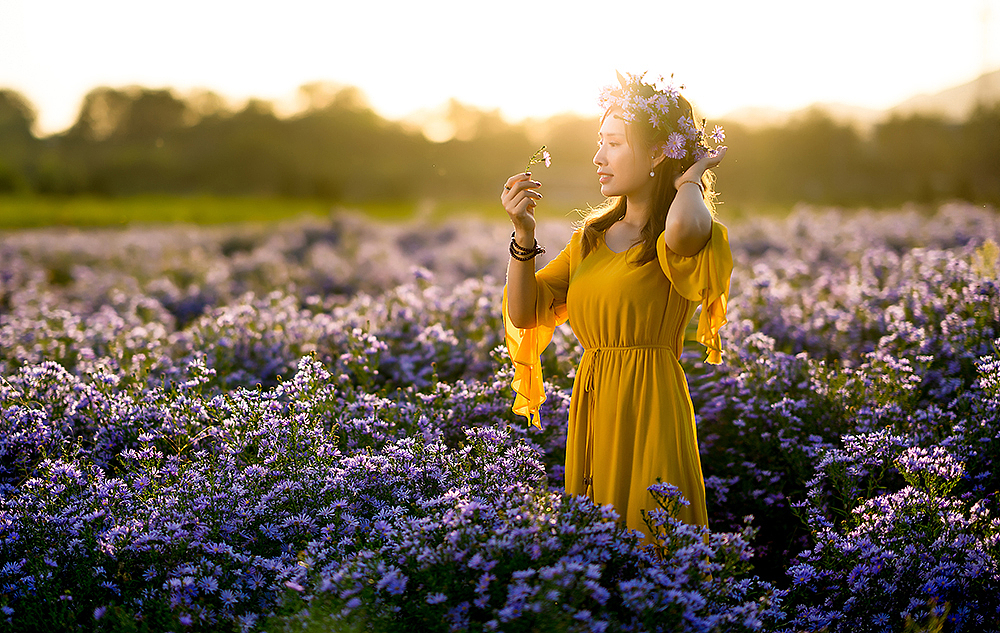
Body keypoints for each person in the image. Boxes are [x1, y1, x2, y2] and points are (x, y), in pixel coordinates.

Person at [500, 72, 732, 538]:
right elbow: (525, 313)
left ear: (657, 152)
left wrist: (690, 176)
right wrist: (524, 235)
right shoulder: (590, 239)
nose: (597, 157)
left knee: (653, 537)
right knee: (597, 548)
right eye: (599, 142)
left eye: (613, 143)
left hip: (650, 403)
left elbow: (685, 230)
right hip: (594, 401)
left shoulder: (679, 230)